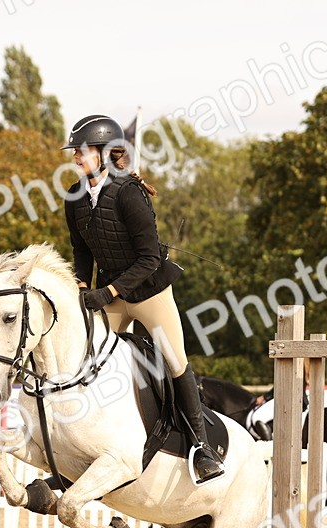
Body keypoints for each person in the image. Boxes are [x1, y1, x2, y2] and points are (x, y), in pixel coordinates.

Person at [61, 114, 223, 484]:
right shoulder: (74, 197)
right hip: (111, 293)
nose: (75, 157)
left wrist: (109, 291)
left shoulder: (129, 193)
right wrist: (84, 286)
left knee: (175, 360)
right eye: (74, 151)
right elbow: (81, 250)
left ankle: (201, 448)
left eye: (81, 151)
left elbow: (150, 259)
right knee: (85, 359)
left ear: (103, 153)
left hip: (149, 291)